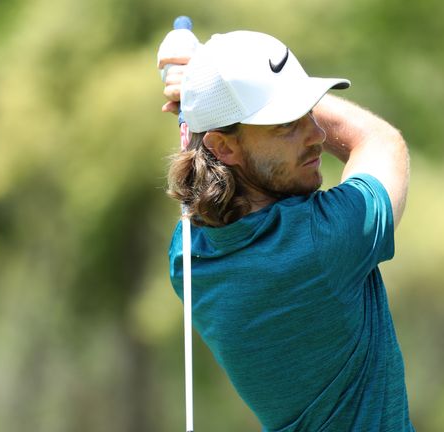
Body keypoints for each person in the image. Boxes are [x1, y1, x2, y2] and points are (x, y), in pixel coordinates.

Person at [158, 30, 413, 431]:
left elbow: (204, 171)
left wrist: (202, 96)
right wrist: (200, 87)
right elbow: (379, 140)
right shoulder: (324, 241)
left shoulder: (188, 259)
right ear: (225, 148)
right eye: (286, 124)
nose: (317, 135)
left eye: (308, 111)